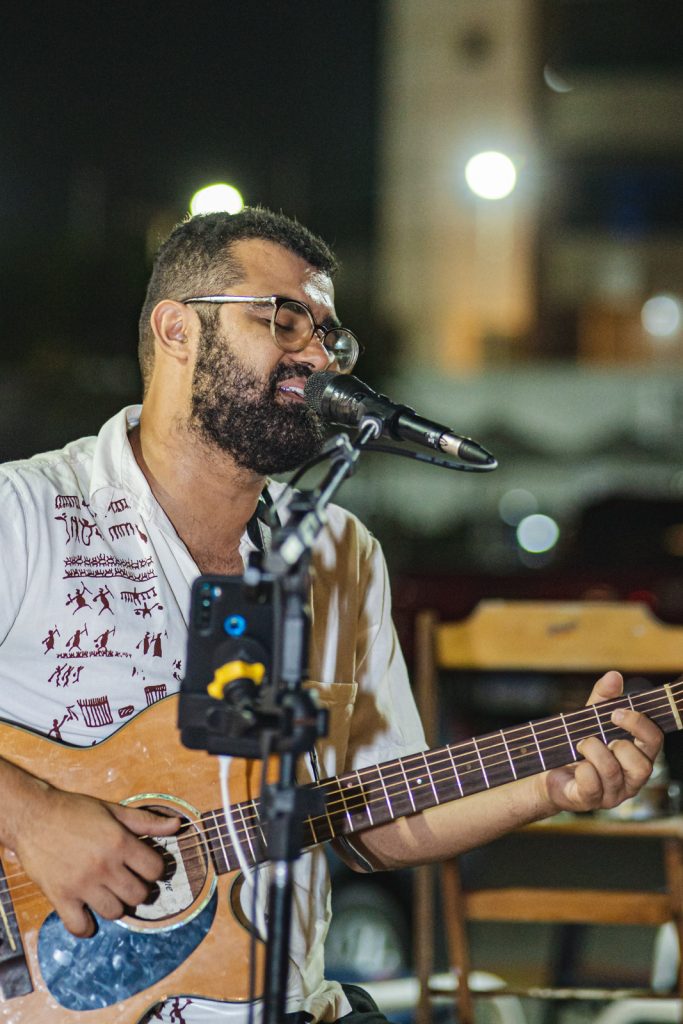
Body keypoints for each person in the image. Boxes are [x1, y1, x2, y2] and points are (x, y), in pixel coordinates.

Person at [0, 208, 663, 1024]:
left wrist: (547, 784)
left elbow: (373, 824)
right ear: (177, 330)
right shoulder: (25, 514)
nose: (315, 356)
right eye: (283, 319)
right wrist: (33, 815)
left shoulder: (341, 554)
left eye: (328, 335)